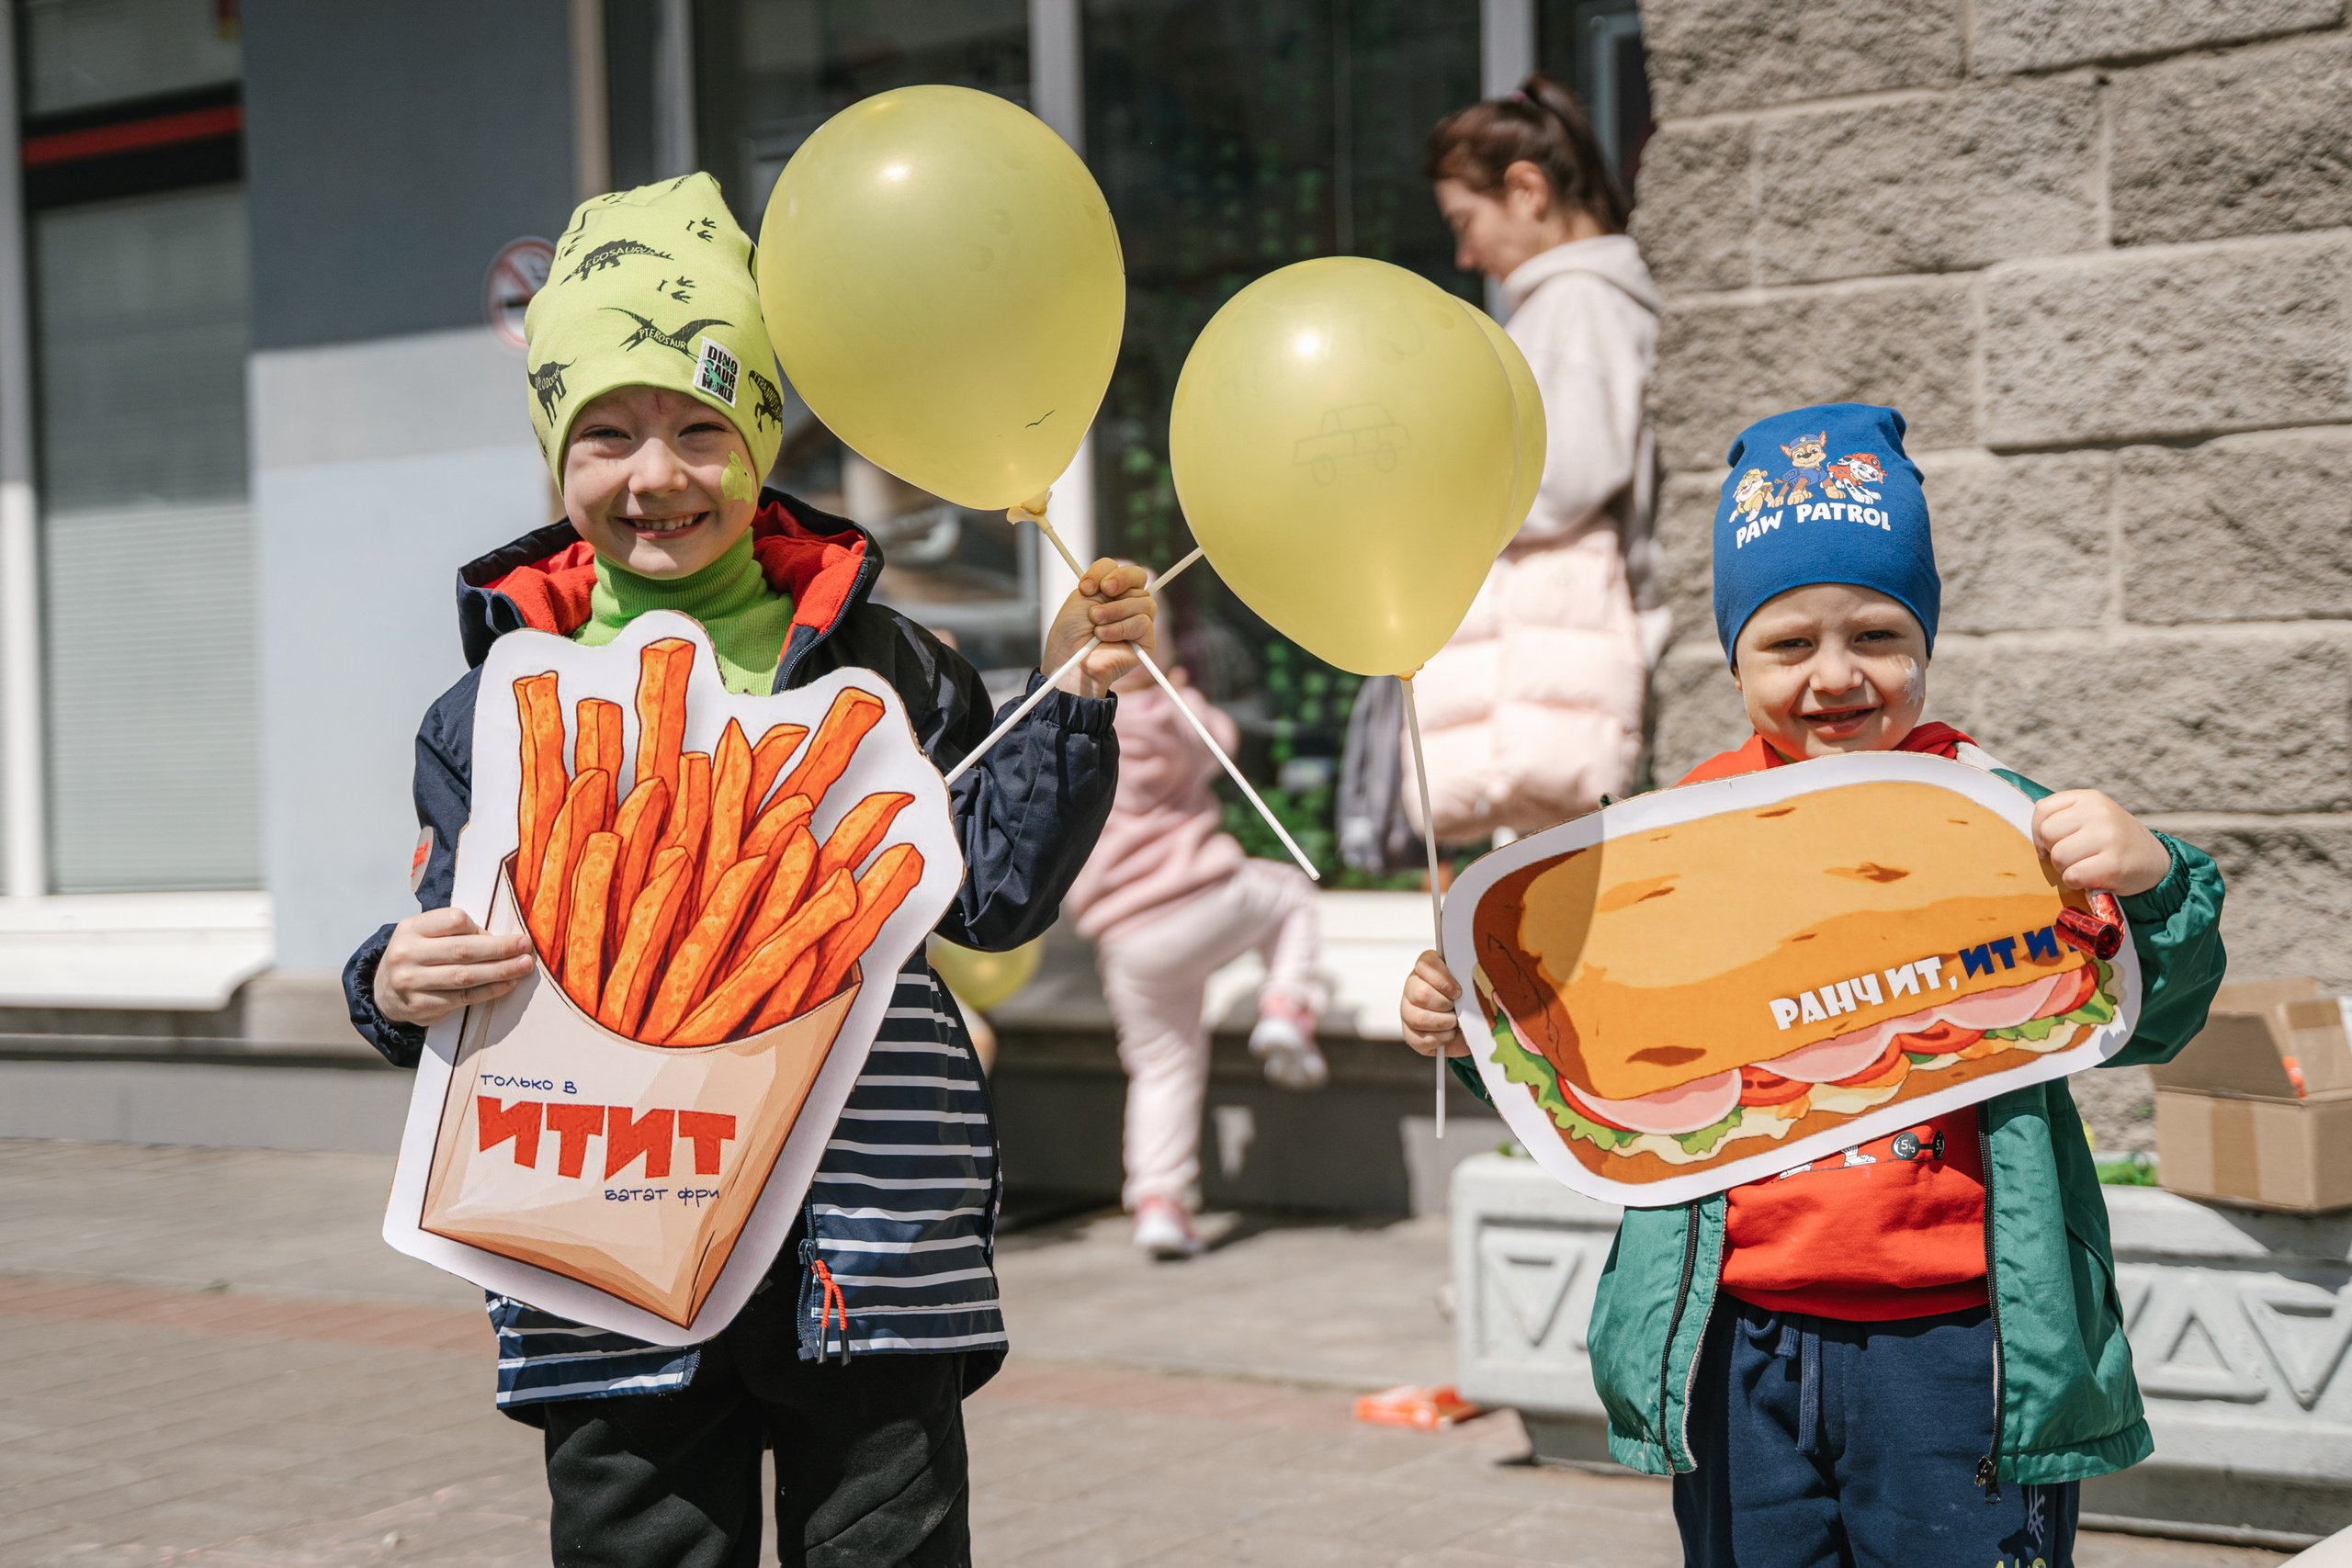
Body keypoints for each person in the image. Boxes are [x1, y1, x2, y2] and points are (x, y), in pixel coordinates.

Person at [340, 174, 1154, 1567]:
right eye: (605, 433)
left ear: (762, 437)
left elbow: (992, 896)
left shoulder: (891, 667)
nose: (653, 476)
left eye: (701, 428)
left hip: (866, 1253)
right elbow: (453, 953)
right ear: (554, 451)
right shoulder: (493, 707)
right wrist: (390, 981)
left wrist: (1068, 699)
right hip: (605, 1256)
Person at [1397, 404, 2227, 1568]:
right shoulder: (1667, 843)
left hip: (1962, 1345)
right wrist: (1477, 1031)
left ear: (1924, 641)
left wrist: (2153, 883)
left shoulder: (2003, 819)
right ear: (1735, 657)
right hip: (1737, 1340)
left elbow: (2154, 1017)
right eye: (1788, 644)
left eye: (1876, 634)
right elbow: (1602, 1082)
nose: (1835, 676)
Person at [1408, 73, 1661, 845]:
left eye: (1466, 221)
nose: (1465, 253)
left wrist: (1452, 496)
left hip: (1571, 652)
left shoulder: (1575, 302)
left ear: (1527, 189)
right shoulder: (1578, 302)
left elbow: (1564, 478)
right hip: (1574, 656)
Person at [1063, 658, 1329, 1259]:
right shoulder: (1169, 713)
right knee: (1291, 892)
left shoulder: (1077, 727)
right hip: (1200, 900)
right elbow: (1221, 744)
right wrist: (1175, 688)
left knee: (1162, 1064)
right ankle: (1286, 1006)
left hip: (1126, 937)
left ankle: (1159, 1203)